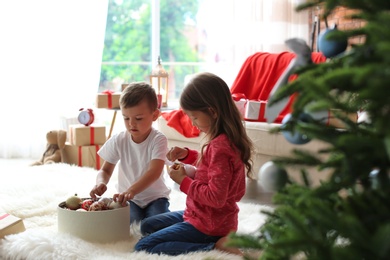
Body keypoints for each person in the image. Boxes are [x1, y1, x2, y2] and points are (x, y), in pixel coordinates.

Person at [134, 72, 254, 256]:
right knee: (148, 225)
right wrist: (187, 155)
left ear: (212, 112)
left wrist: (184, 181)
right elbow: (214, 168)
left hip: (208, 224)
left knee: (143, 246)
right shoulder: (225, 141)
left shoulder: (219, 148)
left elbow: (215, 198)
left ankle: (214, 247)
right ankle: (216, 238)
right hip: (206, 215)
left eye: (195, 117)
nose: (193, 123)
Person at [89, 82, 171, 224]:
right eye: (126, 118)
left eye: (138, 118)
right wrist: (100, 182)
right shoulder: (119, 139)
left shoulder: (158, 140)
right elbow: (106, 170)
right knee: (129, 223)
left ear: (155, 115)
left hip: (156, 198)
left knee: (156, 223)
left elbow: (154, 172)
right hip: (128, 198)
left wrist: (132, 190)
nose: (131, 124)